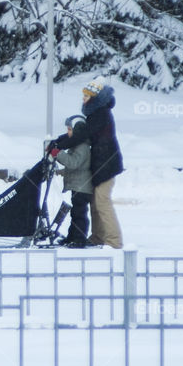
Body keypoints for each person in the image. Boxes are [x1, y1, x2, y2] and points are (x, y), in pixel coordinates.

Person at [50, 76, 124, 248]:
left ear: (96, 98)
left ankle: (114, 241)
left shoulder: (101, 114)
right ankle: (98, 237)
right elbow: (77, 134)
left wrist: (57, 147)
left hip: (107, 165)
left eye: (87, 96)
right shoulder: (95, 114)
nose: (83, 99)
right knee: (96, 202)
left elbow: (81, 136)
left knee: (102, 202)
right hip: (99, 166)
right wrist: (57, 143)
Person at [50, 115, 92, 248]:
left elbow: (73, 162)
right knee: (76, 213)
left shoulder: (82, 147)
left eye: (70, 129)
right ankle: (72, 237)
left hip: (82, 186)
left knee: (79, 213)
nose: (68, 132)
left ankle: (79, 238)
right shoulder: (77, 144)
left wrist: (58, 153)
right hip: (78, 185)